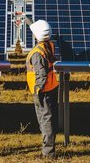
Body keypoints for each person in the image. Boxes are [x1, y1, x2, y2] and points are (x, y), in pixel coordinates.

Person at [26, 19, 59, 158]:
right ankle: (48, 150)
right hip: (51, 88)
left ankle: (48, 153)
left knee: (45, 120)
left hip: (43, 91)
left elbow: (41, 75)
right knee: (48, 119)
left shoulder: (37, 53)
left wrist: (38, 90)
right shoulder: (48, 45)